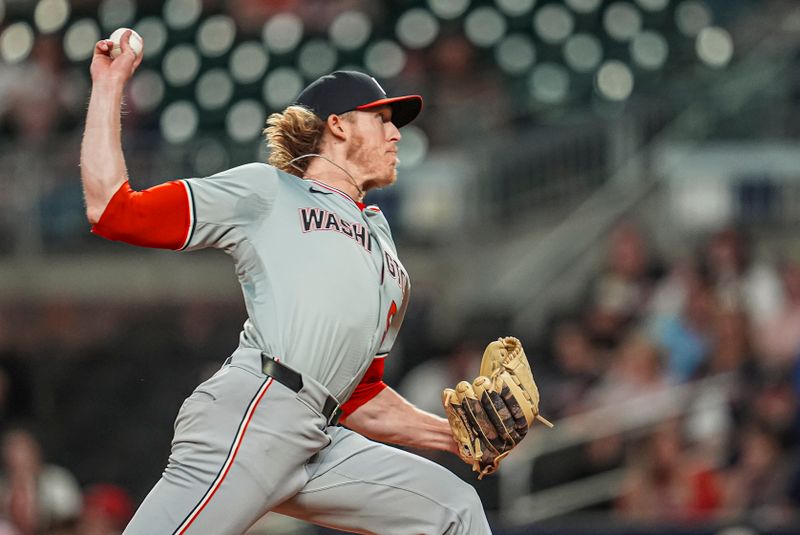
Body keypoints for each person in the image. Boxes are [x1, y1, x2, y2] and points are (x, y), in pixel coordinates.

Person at [80, 31, 490, 534]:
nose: (396, 134)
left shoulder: (385, 248)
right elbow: (113, 209)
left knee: (455, 509)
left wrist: (454, 434)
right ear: (337, 126)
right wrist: (108, 83)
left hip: (321, 436)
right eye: (381, 119)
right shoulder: (269, 190)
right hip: (257, 410)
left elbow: (361, 395)